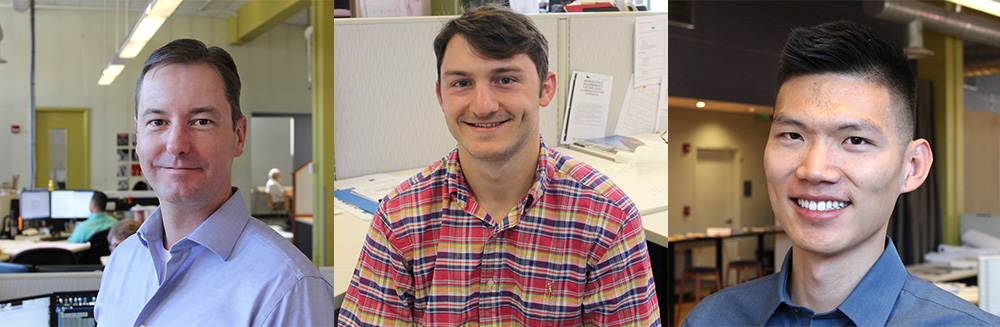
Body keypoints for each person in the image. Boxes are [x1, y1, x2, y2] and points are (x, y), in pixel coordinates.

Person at [338, 5, 660, 326]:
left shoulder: (607, 219)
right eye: (462, 83)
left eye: (505, 79)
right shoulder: (400, 219)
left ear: (545, 89)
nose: (482, 106)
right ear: (440, 95)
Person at [682, 21, 1000, 326]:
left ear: (912, 167)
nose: (815, 170)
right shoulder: (710, 318)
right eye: (793, 136)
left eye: (855, 140)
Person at [95, 38, 336, 326]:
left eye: (201, 121)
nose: (176, 145)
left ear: (239, 135)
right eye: (158, 122)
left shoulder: (289, 288)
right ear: (138, 135)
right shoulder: (121, 262)